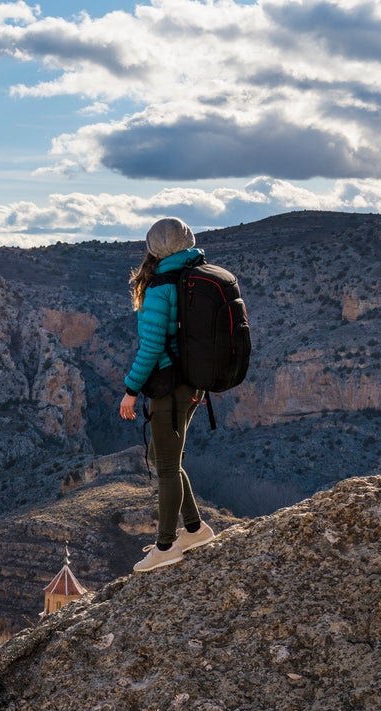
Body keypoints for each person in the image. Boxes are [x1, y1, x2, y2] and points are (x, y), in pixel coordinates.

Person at [118, 217, 217, 572]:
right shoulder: (196, 274)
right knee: (163, 454)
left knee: (165, 466)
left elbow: (151, 348)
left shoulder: (161, 288)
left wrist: (130, 391)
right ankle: (194, 528)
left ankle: (166, 546)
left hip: (169, 385)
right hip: (192, 383)